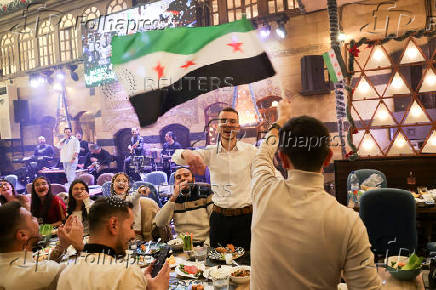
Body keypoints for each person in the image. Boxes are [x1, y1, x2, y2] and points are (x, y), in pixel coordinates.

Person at [250, 100, 381, 289]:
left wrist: (281, 120)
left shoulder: (263, 191)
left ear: (283, 160)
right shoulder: (349, 223)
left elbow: (262, 154)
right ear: (328, 158)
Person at [172, 107, 256, 249]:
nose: (228, 124)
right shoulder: (210, 152)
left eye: (232, 121)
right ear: (217, 127)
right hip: (219, 219)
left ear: (238, 127)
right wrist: (187, 154)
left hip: (246, 218)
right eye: (223, 121)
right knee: (217, 264)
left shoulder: (251, 151)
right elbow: (176, 156)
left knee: (245, 264)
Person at [57, 196, 170, 290]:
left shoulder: (66, 274)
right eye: (131, 226)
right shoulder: (126, 273)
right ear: (114, 225)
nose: (132, 235)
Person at [0, 202, 84, 290]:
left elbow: (45, 267)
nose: (37, 220)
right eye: (32, 218)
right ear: (22, 235)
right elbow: (88, 275)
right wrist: (79, 245)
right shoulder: (40, 273)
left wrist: (62, 245)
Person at [154, 167, 213, 245]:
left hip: (204, 242)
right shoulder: (173, 199)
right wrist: (173, 198)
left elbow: (215, 223)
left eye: (186, 175)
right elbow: (159, 223)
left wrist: (207, 244)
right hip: (182, 244)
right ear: (175, 182)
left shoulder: (205, 193)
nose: (182, 179)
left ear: (193, 179)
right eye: (178, 177)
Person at [111, 172, 160, 241]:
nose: (121, 183)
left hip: (133, 236)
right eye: (118, 180)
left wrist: (142, 189)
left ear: (128, 186)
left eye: (124, 181)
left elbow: (137, 194)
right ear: (113, 184)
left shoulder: (131, 199)